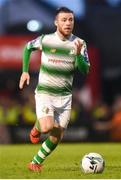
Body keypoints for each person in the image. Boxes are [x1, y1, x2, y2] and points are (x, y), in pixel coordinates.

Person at [19, 6, 90, 172]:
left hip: (65, 97)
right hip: (46, 93)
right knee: (46, 127)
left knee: (57, 136)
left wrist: (79, 55)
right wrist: (25, 71)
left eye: (70, 20)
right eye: (64, 20)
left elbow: (85, 70)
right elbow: (28, 48)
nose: (68, 23)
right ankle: (37, 128)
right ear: (56, 22)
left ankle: (35, 162)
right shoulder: (46, 39)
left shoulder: (79, 43)